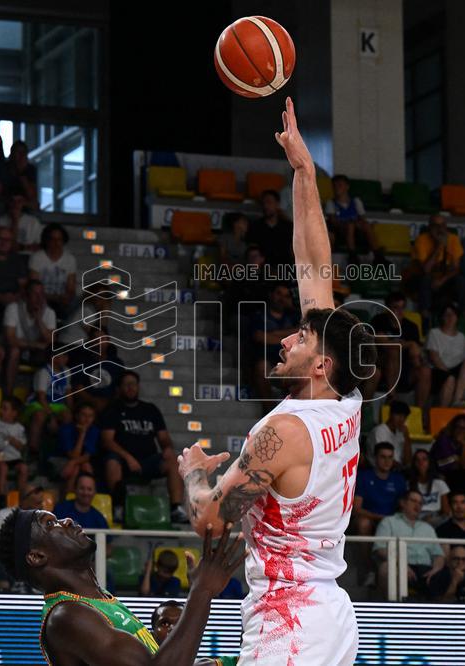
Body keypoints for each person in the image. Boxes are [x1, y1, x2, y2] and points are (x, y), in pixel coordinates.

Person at [178, 98, 373, 665]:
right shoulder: (347, 400)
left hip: (290, 620)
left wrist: (192, 474)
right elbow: (313, 267)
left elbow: (211, 520)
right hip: (331, 613)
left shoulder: (285, 431)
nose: (286, 337)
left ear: (320, 366)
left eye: (301, 338)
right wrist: (305, 173)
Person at [0, 508, 243, 664]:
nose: (67, 521)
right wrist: (202, 591)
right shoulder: (67, 615)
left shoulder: (99, 602)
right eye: (51, 525)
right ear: (37, 557)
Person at [101, 371, 186, 524]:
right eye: (126, 385)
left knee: (173, 459)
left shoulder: (150, 409)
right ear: (120, 388)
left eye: (133, 384)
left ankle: (176, 508)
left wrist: (167, 448)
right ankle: (118, 507)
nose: (130, 388)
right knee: (112, 461)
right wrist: (128, 458)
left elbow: (164, 438)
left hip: (148, 461)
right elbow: (107, 441)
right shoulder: (113, 410)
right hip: (123, 461)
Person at [372, 491, 445, 596]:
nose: (417, 505)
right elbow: (380, 549)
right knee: (385, 568)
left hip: (426, 570)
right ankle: (394, 609)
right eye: (413, 501)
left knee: (446, 573)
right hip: (399, 566)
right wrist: (401, 565)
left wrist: (436, 569)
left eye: (420, 503)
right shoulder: (388, 522)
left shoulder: (427, 528)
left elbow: (439, 555)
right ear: (403, 503)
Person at [366, 292, 431, 408]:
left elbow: (415, 351)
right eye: (396, 307)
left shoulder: (411, 326)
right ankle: (391, 396)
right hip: (383, 368)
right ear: (388, 308)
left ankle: (419, 411)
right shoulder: (379, 321)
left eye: (402, 307)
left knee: (425, 371)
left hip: (405, 370)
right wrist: (409, 344)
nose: (400, 311)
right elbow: (381, 342)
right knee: (393, 350)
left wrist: (414, 351)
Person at [246, 283, 299, 401]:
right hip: (267, 359)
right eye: (279, 294)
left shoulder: (293, 316)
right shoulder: (260, 315)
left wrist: (273, 333)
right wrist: (286, 335)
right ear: (271, 295)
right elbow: (259, 336)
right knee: (262, 366)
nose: (281, 299)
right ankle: (268, 411)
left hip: (289, 359)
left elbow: (300, 332)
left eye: (286, 296)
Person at [406, 213, 464, 322]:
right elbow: (426, 270)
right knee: (426, 279)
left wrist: (441, 280)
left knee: (461, 280)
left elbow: (456, 268)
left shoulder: (453, 239)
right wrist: (438, 246)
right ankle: (425, 315)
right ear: (430, 228)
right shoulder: (421, 240)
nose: (440, 229)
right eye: (436, 226)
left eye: (442, 225)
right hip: (425, 278)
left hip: (443, 279)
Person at [4, 279, 57, 395]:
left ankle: (41, 395)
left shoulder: (49, 313)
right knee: (14, 352)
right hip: (17, 349)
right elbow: (11, 339)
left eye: (41, 294)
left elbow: (51, 341)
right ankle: (9, 393)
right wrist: (36, 344)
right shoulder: (13, 308)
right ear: (27, 296)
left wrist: (38, 319)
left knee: (50, 355)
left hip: (37, 353)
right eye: (35, 294)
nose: (39, 298)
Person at [426, 303, 465, 407]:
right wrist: (448, 373)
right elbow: (433, 356)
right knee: (450, 379)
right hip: (438, 370)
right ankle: (442, 412)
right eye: (447, 315)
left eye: (453, 315)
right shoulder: (434, 333)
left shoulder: (461, 337)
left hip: (454, 370)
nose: (450, 317)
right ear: (442, 317)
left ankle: (457, 400)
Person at [352, 442, 407, 538]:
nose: (387, 461)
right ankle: (365, 554)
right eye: (383, 457)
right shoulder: (363, 476)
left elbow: (404, 507)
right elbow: (356, 509)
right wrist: (378, 517)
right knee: (364, 523)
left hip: (392, 520)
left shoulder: (399, 479)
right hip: (370, 518)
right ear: (375, 458)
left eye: (390, 457)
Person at [26, 351, 72, 458]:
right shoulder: (43, 372)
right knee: (40, 416)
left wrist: (72, 410)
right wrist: (52, 418)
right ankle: (33, 452)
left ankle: (62, 453)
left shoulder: (67, 371)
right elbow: (41, 398)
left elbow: (69, 394)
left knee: (67, 416)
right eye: (63, 356)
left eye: (66, 356)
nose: (66, 358)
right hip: (37, 404)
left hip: (56, 405)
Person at [29, 223, 78, 318]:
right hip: (42, 298)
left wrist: (67, 297)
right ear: (46, 240)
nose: (56, 242)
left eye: (59, 239)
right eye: (52, 239)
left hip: (61, 299)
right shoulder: (37, 257)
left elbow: (71, 288)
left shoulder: (70, 259)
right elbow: (33, 287)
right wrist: (54, 297)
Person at [324, 174, 379, 259]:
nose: (336, 188)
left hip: (356, 233)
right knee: (350, 226)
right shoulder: (331, 203)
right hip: (340, 234)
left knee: (367, 225)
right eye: (334, 186)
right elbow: (334, 222)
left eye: (339, 185)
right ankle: (352, 256)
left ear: (347, 187)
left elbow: (363, 220)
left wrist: (359, 224)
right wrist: (350, 224)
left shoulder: (356, 202)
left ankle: (378, 255)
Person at [0, 396, 29, 501]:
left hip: (15, 458)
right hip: (0, 456)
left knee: (23, 468)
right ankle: (2, 497)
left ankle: (21, 497)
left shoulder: (19, 427)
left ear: (14, 413)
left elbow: (21, 446)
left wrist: (11, 439)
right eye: (1, 408)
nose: (1, 411)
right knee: (3, 467)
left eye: (5, 408)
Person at [51, 403, 101, 494]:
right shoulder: (66, 429)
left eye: (90, 416)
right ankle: (68, 495)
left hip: (76, 462)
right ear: (77, 416)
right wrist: (82, 434)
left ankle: (91, 494)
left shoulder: (94, 430)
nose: (87, 419)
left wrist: (73, 462)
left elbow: (87, 456)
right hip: (59, 459)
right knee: (77, 467)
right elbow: (73, 455)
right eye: (83, 415)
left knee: (86, 466)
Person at [429, 414, 465, 501]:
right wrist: (457, 460)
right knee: (463, 475)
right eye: (458, 427)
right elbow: (443, 464)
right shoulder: (443, 440)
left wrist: (463, 445)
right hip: (436, 471)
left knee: (464, 474)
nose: (460, 431)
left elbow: (463, 465)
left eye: (464, 428)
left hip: (454, 474)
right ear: (453, 428)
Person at [246, 189, 294, 267]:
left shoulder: (288, 226)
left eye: (269, 202)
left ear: (277, 205)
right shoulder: (255, 226)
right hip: (263, 269)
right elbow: (252, 250)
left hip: (285, 268)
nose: (266, 206)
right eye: (263, 203)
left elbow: (293, 250)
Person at [365, 400, 412, 468]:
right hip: (377, 470)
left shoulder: (401, 433)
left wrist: (406, 436)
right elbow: (383, 458)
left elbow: (408, 461)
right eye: (398, 415)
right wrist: (402, 469)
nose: (401, 419)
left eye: (404, 417)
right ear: (390, 414)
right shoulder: (379, 431)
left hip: (395, 471)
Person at [406, 449, 450, 522]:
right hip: (417, 518)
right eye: (417, 460)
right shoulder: (408, 484)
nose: (421, 462)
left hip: (435, 517)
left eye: (424, 459)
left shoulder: (440, 483)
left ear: (429, 463)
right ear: (414, 464)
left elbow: (445, 510)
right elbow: (408, 509)